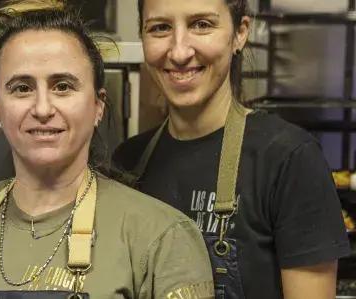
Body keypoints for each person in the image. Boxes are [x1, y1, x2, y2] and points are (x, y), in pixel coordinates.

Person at [0, 1, 215, 299]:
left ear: (97, 105)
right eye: (22, 88)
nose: (43, 108)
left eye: (63, 86)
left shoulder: (162, 237)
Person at [111, 0, 351, 298]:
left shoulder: (289, 158)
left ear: (240, 33)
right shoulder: (127, 162)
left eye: (202, 24)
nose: (179, 51)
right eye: (160, 28)